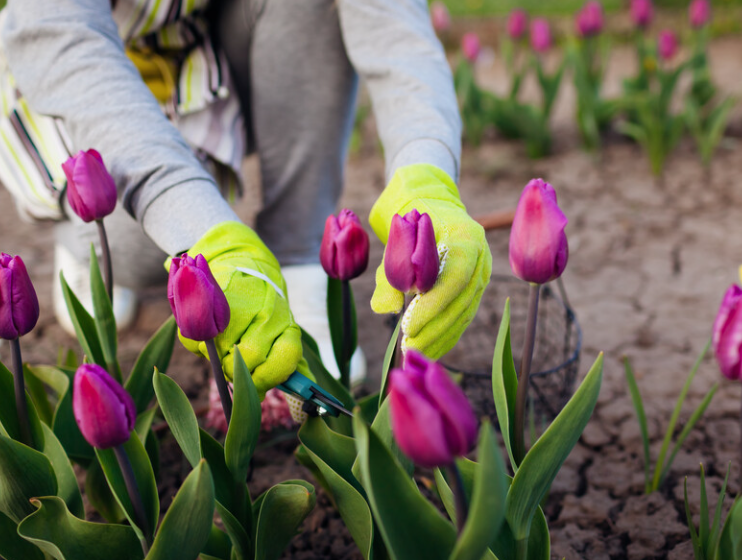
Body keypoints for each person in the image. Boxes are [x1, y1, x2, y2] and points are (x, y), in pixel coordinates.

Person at [0, 0, 491, 394]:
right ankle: (87, 246)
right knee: (150, 244)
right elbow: (63, 37)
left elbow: (392, 25)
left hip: (194, 62)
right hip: (77, 92)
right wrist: (202, 231)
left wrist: (426, 170)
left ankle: (300, 261)